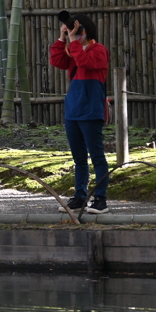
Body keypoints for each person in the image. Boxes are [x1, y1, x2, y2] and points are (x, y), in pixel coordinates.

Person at [50, 14, 110, 213]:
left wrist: (74, 43)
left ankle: (100, 199)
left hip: (91, 110)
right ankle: (80, 196)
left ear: (85, 32)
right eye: (70, 31)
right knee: (79, 158)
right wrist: (62, 38)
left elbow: (85, 62)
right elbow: (56, 60)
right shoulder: (72, 50)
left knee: (97, 156)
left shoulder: (99, 50)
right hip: (73, 111)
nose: (72, 36)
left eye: (75, 31)